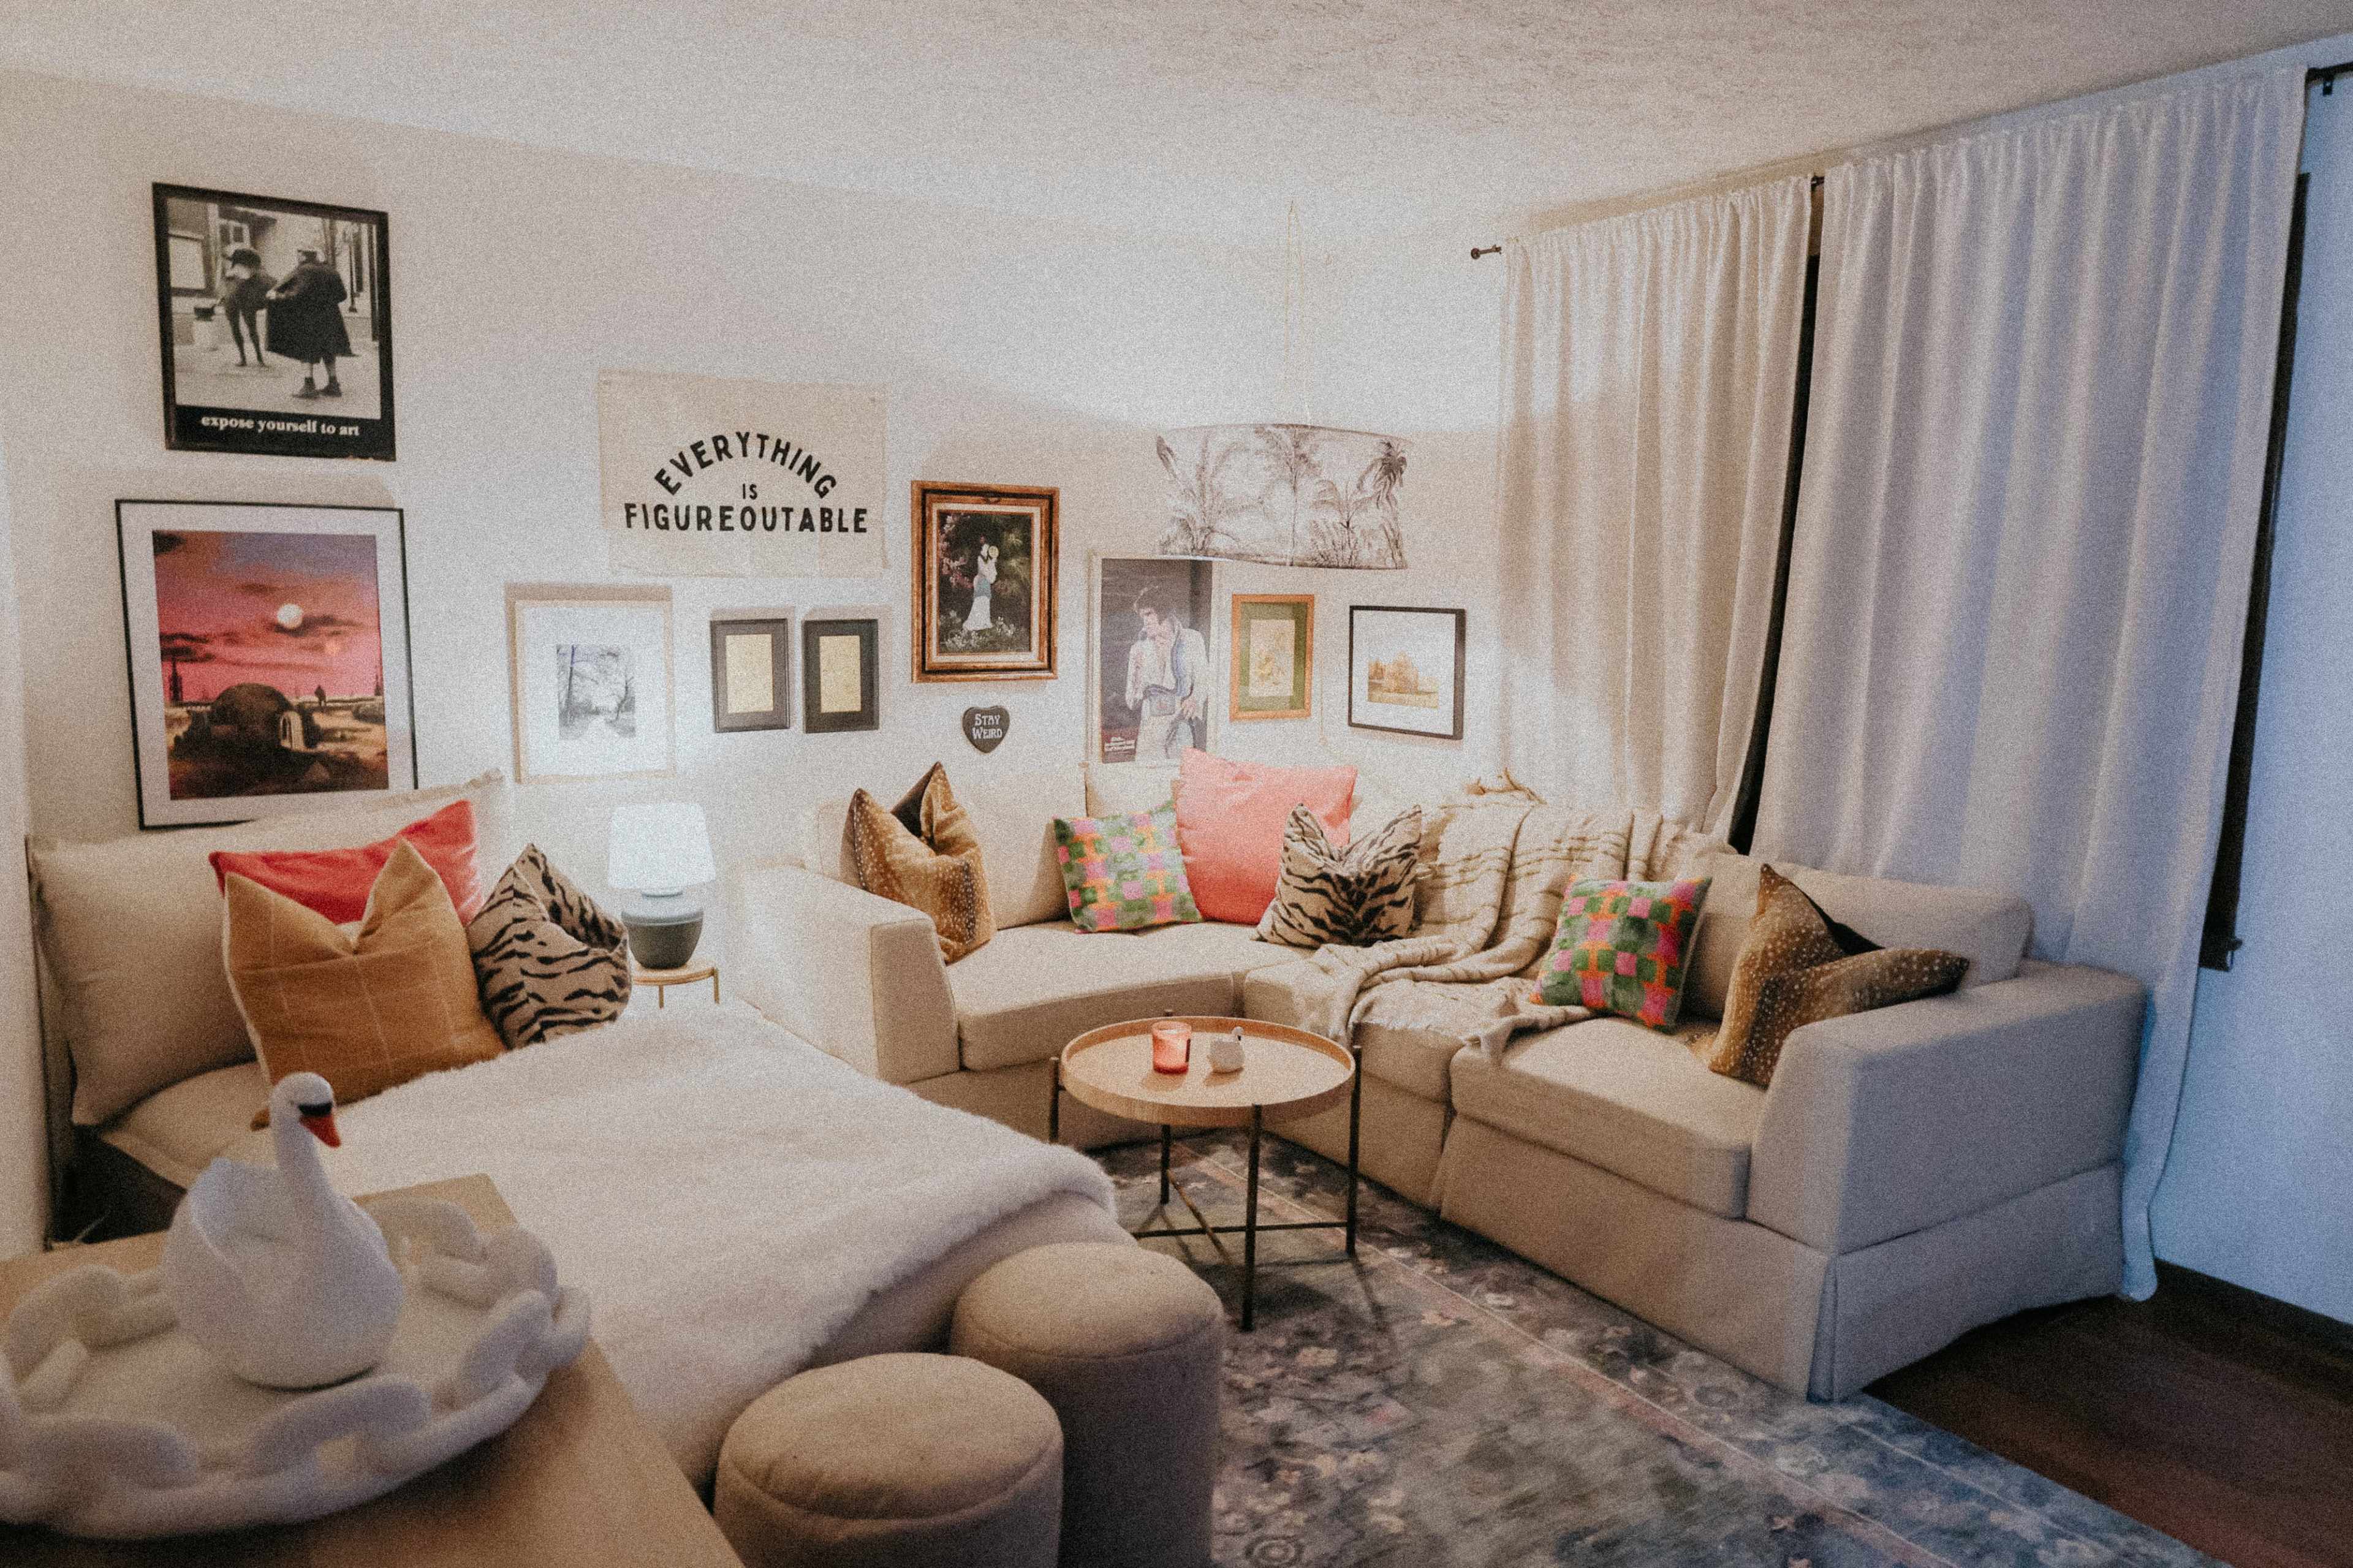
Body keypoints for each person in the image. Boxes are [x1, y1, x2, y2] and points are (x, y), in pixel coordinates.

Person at [1124, 584, 1207, 760]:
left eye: (1149, 614)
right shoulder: (1138, 649)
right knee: (1149, 782)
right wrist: (1138, 673)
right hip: (1151, 730)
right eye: (1142, 616)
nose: (1145, 621)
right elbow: (1131, 701)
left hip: (1181, 723)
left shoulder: (1192, 640)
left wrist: (1195, 698)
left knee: (1182, 777)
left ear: (1164, 612)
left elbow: (1204, 680)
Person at [265, 246, 354, 400]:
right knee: (329, 349)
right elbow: (342, 295)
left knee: (306, 350)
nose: (297, 257)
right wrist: (326, 301)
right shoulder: (331, 270)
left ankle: (309, 387)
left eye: (298, 254)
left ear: (303, 256)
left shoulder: (303, 270)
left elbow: (297, 295)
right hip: (331, 316)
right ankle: (333, 385)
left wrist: (277, 296)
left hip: (309, 317)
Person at [216, 247, 275, 369]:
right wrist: (222, 296)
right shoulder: (232, 271)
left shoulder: (245, 270)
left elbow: (252, 280)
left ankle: (255, 358)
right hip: (234, 302)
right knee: (240, 329)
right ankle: (248, 358)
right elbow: (224, 287)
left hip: (244, 302)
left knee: (249, 330)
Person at [961, 539, 999, 633]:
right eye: (985, 548)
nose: (986, 550)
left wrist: (993, 562)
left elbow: (992, 573)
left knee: (985, 601)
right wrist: (990, 566)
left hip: (985, 583)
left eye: (987, 548)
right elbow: (984, 571)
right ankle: (974, 622)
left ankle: (984, 622)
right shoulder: (980, 559)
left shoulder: (989, 560)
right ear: (982, 549)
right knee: (980, 600)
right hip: (981, 581)